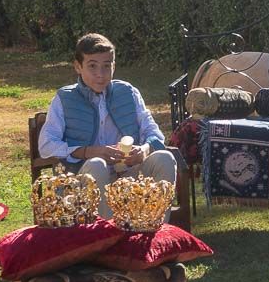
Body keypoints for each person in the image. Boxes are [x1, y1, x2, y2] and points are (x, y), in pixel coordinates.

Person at [38, 33, 177, 220]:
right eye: (92, 66)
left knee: (164, 158)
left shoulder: (128, 92)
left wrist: (144, 150)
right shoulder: (64, 98)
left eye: (107, 66)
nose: (100, 74)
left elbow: (154, 133)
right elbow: (46, 145)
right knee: (97, 164)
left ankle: (157, 234)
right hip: (84, 179)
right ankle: (109, 240)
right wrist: (87, 151)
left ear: (114, 65)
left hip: (129, 177)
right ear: (78, 66)